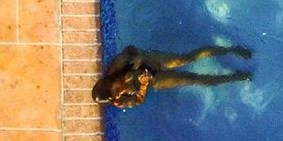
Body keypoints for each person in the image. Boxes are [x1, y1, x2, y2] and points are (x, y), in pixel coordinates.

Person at [92, 44, 253, 108]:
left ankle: (231, 50)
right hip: (153, 80)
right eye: (115, 96)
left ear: (106, 82)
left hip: (149, 61)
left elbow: (130, 49)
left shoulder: (115, 68)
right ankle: (236, 77)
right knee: (194, 79)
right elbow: (139, 100)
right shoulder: (119, 101)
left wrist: (139, 55)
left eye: (114, 90)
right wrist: (144, 84)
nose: (118, 93)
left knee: (186, 58)